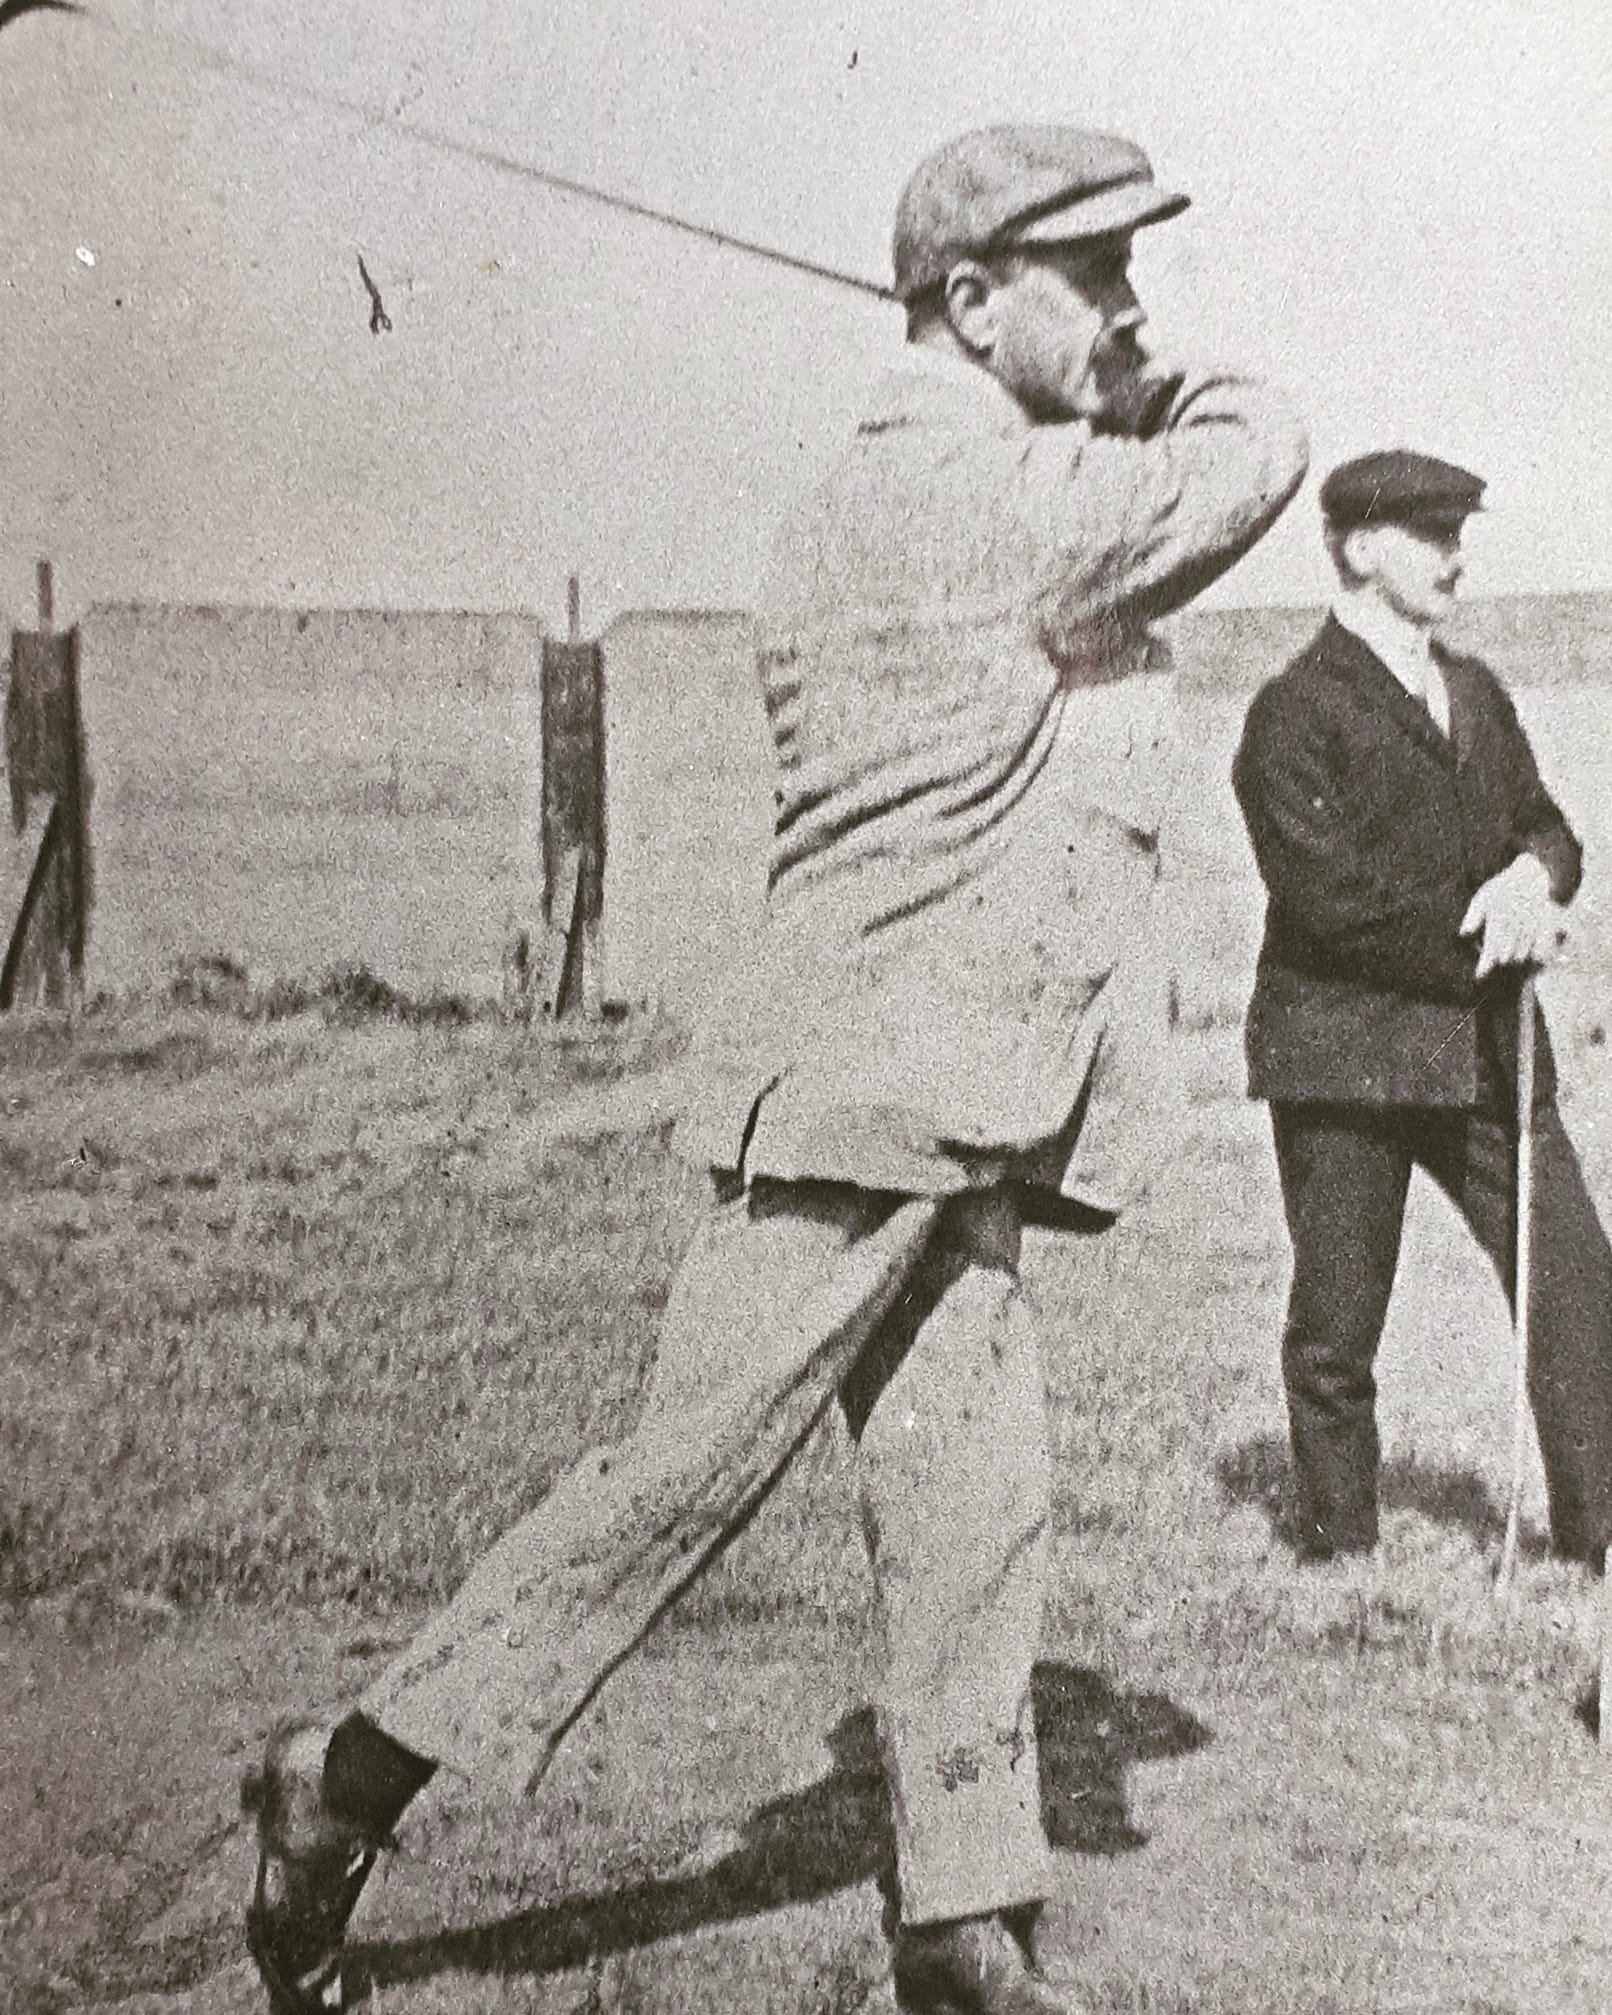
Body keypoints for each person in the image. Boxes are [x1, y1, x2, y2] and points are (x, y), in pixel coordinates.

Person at [243, 124, 1307, 2015]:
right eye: (1095, 278)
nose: (1132, 309)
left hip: (932, 1084)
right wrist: (1165, 383)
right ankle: (336, 1786)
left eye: (1134, 279)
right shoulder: (986, 499)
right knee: (672, 1482)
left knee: (975, 1496)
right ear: (968, 306)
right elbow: (1255, 452)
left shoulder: (895, 483)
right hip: (871, 1092)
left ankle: (956, 1921)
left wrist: (1089, 369)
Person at [1232, 449, 1612, 1570]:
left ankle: (1599, 1536)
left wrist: (1533, 878)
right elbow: (1327, 901)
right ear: (1355, 548)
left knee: (1575, 1279)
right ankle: (1340, 1551)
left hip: (1489, 1051)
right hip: (1343, 1058)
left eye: (1460, 530)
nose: (1456, 554)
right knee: (1339, 1323)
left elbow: (1549, 827)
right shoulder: (1289, 713)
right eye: (1429, 531)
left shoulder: (1478, 691)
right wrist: (1488, 935)